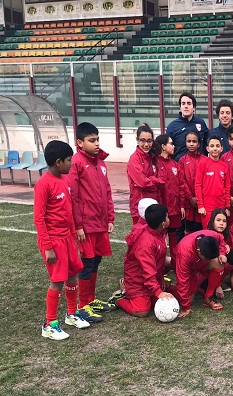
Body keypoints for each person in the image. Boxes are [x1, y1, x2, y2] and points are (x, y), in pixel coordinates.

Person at [36, 140, 90, 340]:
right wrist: (48, 247)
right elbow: (39, 218)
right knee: (57, 281)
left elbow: (69, 211)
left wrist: (75, 235)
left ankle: (71, 314)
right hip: (54, 240)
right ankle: (50, 324)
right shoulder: (43, 184)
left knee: (73, 275)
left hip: (67, 239)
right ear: (58, 162)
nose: (71, 164)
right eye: (69, 160)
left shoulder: (65, 180)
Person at [67, 122, 116, 323]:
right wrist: (78, 225)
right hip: (86, 225)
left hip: (100, 223)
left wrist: (110, 217)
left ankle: (91, 299)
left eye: (97, 140)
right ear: (80, 142)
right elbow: (74, 197)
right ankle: (82, 305)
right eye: (92, 140)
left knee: (96, 261)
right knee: (86, 264)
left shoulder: (100, 163)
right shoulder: (76, 163)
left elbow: (107, 191)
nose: (96, 144)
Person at [115, 204, 177, 317]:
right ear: (163, 223)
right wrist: (158, 292)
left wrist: (160, 278)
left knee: (168, 297)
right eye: (167, 217)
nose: (169, 219)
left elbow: (158, 261)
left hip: (152, 278)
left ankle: (153, 290)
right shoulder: (146, 243)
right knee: (142, 311)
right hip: (137, 281)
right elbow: (147, 271)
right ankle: (119, 300)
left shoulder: (159, 232)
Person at [173, 230, 230, 318]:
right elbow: (182, 280)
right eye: (207, 258)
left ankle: (208, 296)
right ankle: (169, 288)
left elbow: (221, 238)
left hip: (199, 263)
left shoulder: (211, 235)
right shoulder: (184, 252)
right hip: (186, 267)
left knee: (219, 262)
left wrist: (222, 253)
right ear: (198, 250)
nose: (208, 259)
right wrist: (185, 307)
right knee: (188, 300)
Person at [153, 134, 184, 261]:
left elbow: (181, 185)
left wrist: (181, 205)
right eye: (171, 143)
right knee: (160, 235)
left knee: (173, 236)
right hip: (161, 208)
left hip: (175, 208)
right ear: (163, 146)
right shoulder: (155, 163)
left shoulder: (175, 164)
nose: (173, 146)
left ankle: (174, 263)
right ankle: (159, 262)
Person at [127, 124, 164, 225]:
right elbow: (142, 182)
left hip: (154, 204)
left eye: (149, 141)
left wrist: (151, 180)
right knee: (141, 237)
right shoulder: (134, 159)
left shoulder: (153, 158)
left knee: (155, 237)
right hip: (139, 206)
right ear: (137, 140)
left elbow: (162, 179)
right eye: (142, 140)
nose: (146, 144)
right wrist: (154, 181)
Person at [195, 135, 230, 229]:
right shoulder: (202, 163)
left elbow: (227, 187)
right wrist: (200, 206)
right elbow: (198, 185)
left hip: (221, 206)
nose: (215, 148)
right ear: (207, 148)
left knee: (220, 233)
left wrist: (227, 206)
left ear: (221, 148)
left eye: (217, 146)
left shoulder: (224, 166)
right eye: (212, 146)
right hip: (207, 207)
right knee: (208, 233)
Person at [166, 92, 209, 161]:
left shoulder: (201, 123)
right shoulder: (172, 127)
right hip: (180, 167)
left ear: (194, 107)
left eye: (189, 103)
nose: (186, 106)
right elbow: (167, 150)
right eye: (183, 103)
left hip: (199, 167)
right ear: (180, 107)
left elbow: (207, 144)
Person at [179, 131, 204, 234]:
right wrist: (190, 198)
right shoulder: (182, 160)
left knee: (200, 230)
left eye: (194, 141)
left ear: (198, 144)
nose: (191, 144)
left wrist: (199, 199)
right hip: (188, 203)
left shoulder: (204, 160)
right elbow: (182, 182)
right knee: (188, 231)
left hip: (201, 203)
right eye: (189, 141)